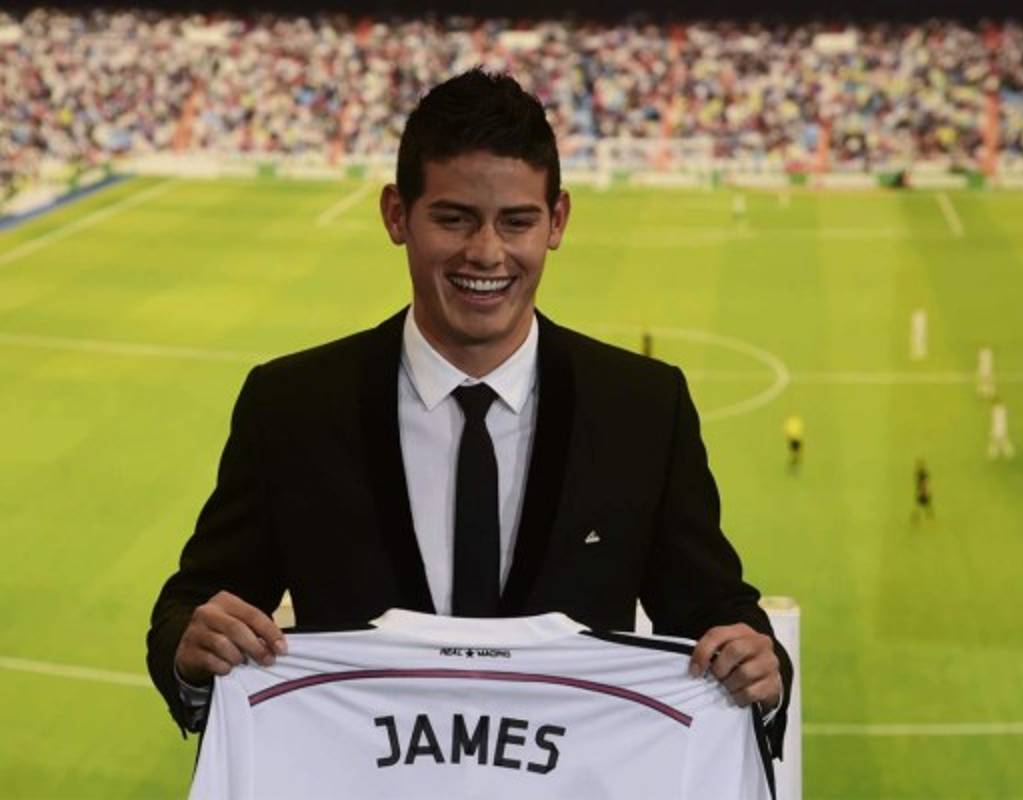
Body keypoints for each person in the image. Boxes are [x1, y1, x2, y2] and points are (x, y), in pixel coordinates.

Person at [146, 69, 791, 758]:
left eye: (517, 221)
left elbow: (716, 613)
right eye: (454, 218)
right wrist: (192, 651)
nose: (486, 253)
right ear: (397, 214)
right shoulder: (292, 405)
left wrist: (761, 661)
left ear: (558, 221)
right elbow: (194, 606)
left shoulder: (642, 408)